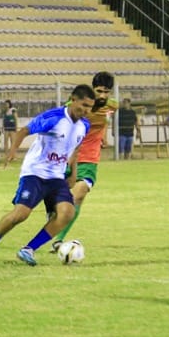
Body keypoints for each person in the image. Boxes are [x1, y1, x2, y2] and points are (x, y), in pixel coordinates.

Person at [0, 84, 95, 265]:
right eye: (84, 105)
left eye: (90, 107)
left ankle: (28, 249)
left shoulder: (84, 125)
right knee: (21, 214)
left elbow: (75, 148)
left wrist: (73, 173)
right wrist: (12, 151)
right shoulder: (54, 117)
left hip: (56, 176)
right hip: (35, 173)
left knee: (67, 212)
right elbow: (24, 130)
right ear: (73, 99)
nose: (86, 110)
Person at [45, 71, 118, 248]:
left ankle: (58, 239)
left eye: (107, 91)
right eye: (99, 90)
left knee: (79, 195)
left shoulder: (112, 106)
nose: (102, 95)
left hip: (89, 159)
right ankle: (54, 218)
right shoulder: (76, 105)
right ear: (92, 89)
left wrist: (103, 138)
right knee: (64, 198)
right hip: (68, 155)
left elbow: (103, 121)